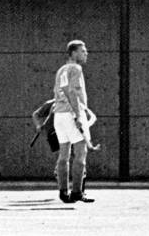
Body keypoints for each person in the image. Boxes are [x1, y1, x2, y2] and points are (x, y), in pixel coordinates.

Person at [52, 39, 95, 204]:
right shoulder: (76, 68)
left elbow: (60, 91)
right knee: (80, 154)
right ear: (74, 53)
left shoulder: (61, 69)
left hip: (59, 115)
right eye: (83, 51)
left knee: (63, 155)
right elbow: (73, 91)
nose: (86, 53)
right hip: (72, 114)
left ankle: (63, 191)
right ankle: (77, 192)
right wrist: (77, 115)